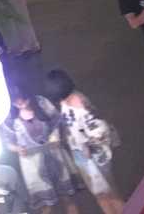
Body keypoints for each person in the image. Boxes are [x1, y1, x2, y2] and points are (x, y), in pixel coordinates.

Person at [45, 69, 123, 214]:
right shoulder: (64, 102)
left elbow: (100, 131)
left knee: (111, 193)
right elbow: (65, 122)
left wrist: (88, 146)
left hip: (96, 156)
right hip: (80, 156)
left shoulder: (81, 105)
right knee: (99, 194)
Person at [0, 86, 76, 213]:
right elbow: (8, 142)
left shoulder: (41, 102)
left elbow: (57, 120)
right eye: (16, 101)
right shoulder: (9, 115)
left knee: (67, 198)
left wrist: (55, 135)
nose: (20, 103)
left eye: (23, 99)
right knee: (45, 205)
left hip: (54, 155)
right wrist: (18, 149)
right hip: (32, 164)